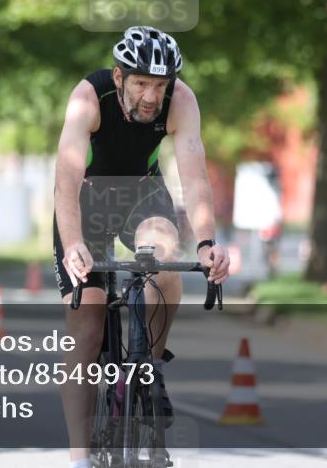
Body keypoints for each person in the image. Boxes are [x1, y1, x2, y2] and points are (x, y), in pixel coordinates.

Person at [53, 26, 231, 468]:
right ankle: (79, 456)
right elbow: (67, 178)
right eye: (141, 83)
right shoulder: (88, 98)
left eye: (160, 85)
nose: (152, 96)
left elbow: (193, 175)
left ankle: (148, 365)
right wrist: (74, 242)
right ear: (119, 77)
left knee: (165, 261)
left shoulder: (181, 101)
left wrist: (207, 242)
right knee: (87, 327)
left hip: (140, 193)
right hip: (86, 199)